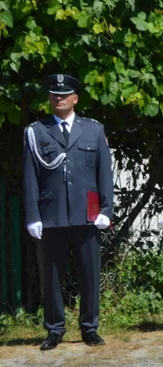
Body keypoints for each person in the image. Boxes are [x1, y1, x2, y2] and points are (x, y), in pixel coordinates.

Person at [22, 74, 114, 350]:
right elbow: (30, 177)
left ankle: (89, 327)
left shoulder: (93, 130)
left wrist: (106, 209)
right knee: (51, 275)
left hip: (87, 215)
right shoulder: (37, 131)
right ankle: (54, 329)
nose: (59, 98)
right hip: (52, 215)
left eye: (64, 95)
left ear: (75, 99)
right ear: (49, 100)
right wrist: (33, 215)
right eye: (54, 95)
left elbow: (103, 173)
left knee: (89, 273)